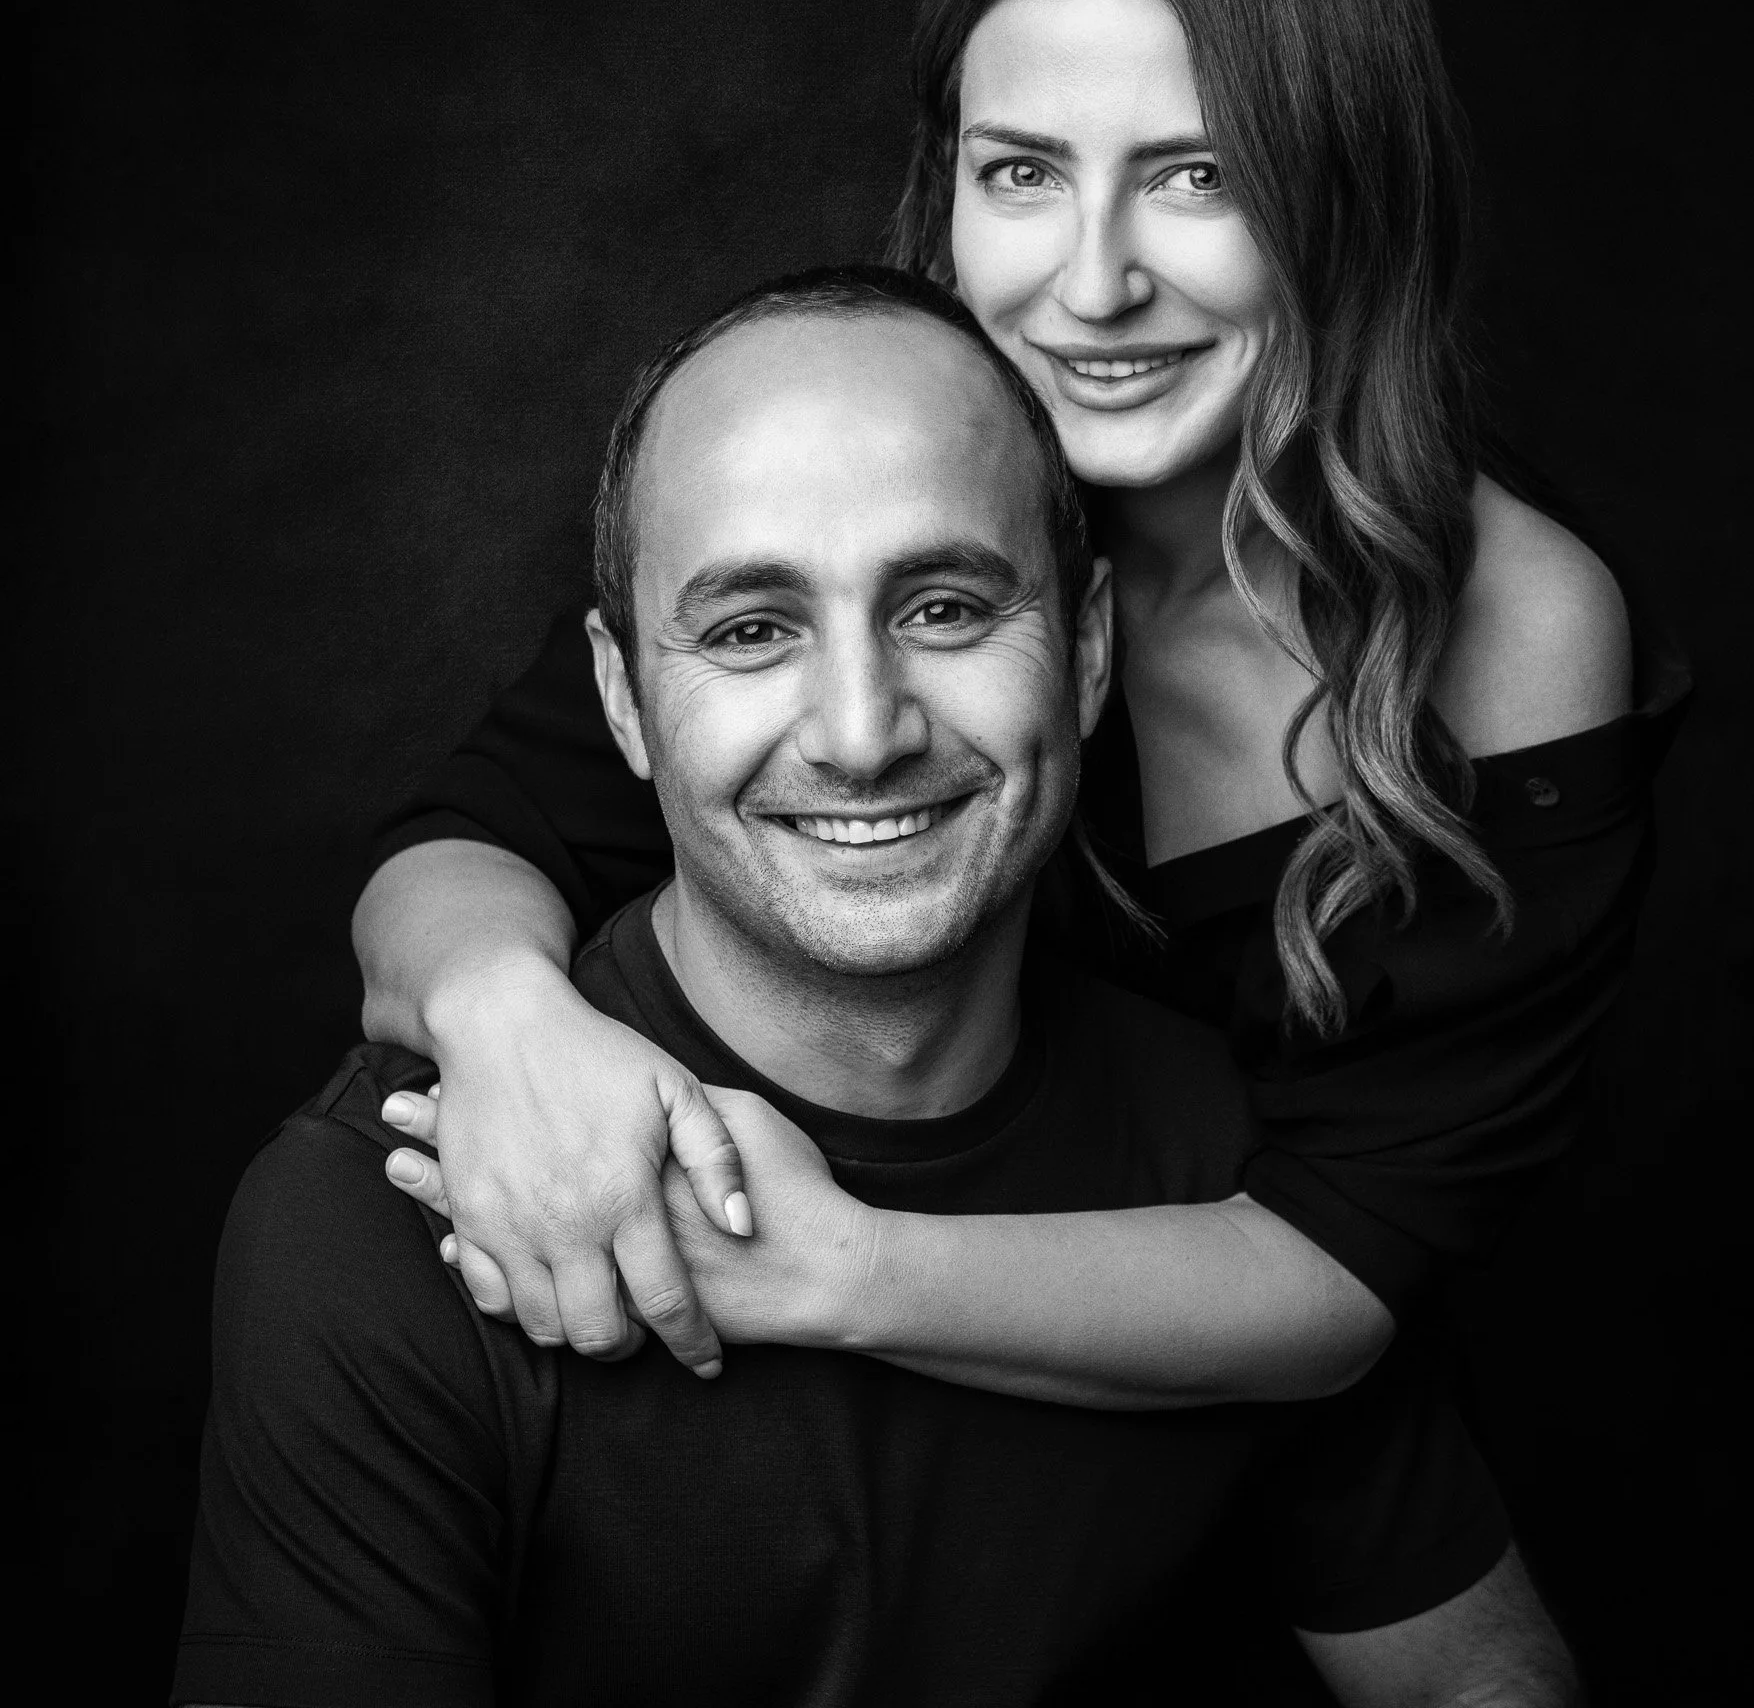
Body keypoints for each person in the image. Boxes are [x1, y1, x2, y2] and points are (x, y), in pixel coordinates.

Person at [357, 0, 1688, 1400]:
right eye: (1024, 173)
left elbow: (1348, 1267)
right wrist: (504, 1018)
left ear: (1350, 189)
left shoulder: (1520, 628)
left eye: (1197, 175)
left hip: (1248, 1453)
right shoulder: (895, 453)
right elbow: (469, 840)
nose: (1095, 283)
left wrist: (831, 1268)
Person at [176, 272, 1578, 1706]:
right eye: (751, 630)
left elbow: (1473, 1678)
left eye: (947, 608)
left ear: (1089, 652)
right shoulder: (390, 1215)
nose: (861, 735)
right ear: (620, 703)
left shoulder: (1241, 1174)